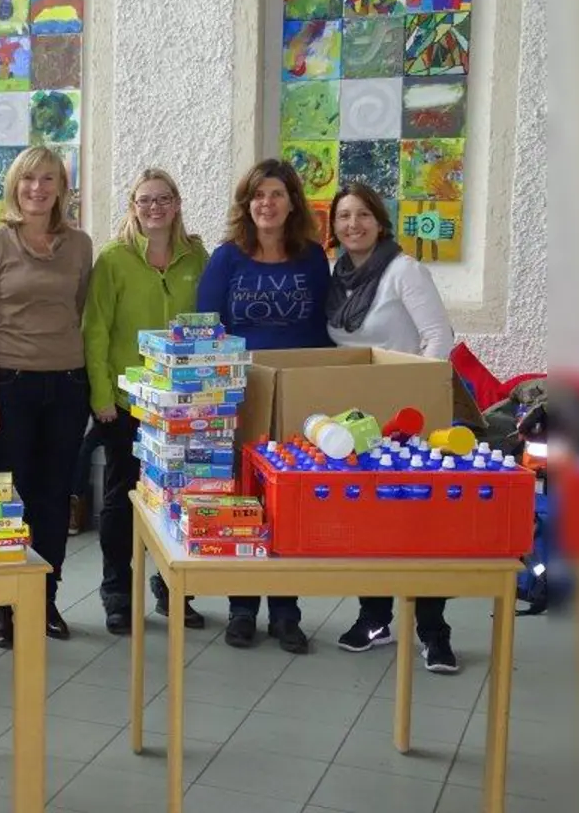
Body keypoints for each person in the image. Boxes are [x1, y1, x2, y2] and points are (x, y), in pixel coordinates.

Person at [323, 182, 461, 673]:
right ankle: (375, 618)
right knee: (370, 522)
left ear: (380, 222)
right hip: (359, 423)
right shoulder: (335, 277)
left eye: (362, 215)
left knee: (423, 525)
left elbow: (438, 337)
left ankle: (433, 631)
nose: (353, 225)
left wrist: (417, 398)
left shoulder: (404, 271)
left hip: (411, 421)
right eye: (343, 216)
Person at [196, 158, 331, 654]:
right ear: (246, 204)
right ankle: (242, 607)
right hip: (243, 395)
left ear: (292, 201)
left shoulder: (312, 258)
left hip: (299, 396)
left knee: (290, 499)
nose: (266, 204)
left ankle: (286, 611)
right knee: (247, 500)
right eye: (257, 195)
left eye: (276, 194)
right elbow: (208, 330)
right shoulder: (227, 258)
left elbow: (322, 329)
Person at [0, 145, 93, 647]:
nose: (37, 188)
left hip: (67, 384)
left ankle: (44, 597)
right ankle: (3, 602)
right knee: (9, 499)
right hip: (9, 384)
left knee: (54, 494)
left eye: (48, 179)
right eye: (28, 179)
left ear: (61, 188)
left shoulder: (80, 246)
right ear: (14, 187)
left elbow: (78, 311)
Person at [83, 168, 210, 636]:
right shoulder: (114, 259)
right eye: (144, 200)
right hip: (126, 403)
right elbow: (94, 331)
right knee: (121, 499)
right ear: (132, 207)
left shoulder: (197, 256)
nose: (153, 208)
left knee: (181, 499)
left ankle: (174, 589)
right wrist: (101, 396)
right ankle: (118, 592)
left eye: (162, 199)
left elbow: (209, 324)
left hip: (185, 404)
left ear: (176, 204)